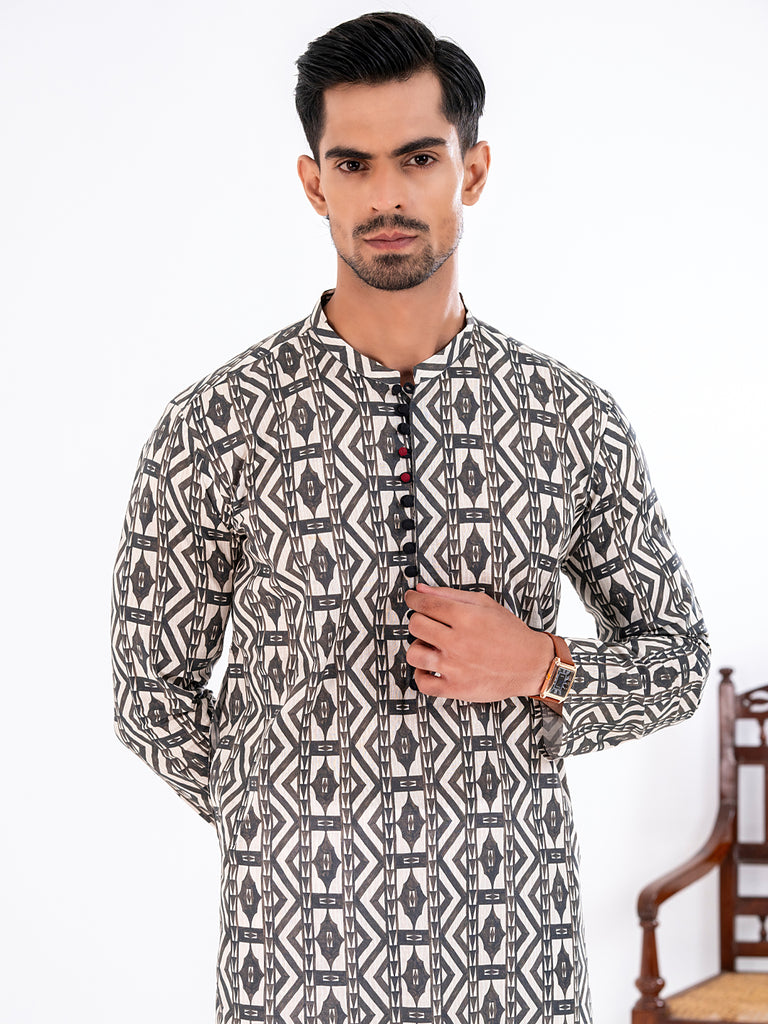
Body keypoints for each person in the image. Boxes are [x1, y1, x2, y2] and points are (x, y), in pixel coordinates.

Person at [110, 12, 710, 1024]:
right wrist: (277, 819)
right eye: (353, 163)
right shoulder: (217, 423)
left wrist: (542, 666)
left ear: (472, 170)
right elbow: (149, 688)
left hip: (512, 956)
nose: (386, 194)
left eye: (419, 158)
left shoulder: (567, 417)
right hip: (294, 966)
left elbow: (677, 661)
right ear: (316, 184)